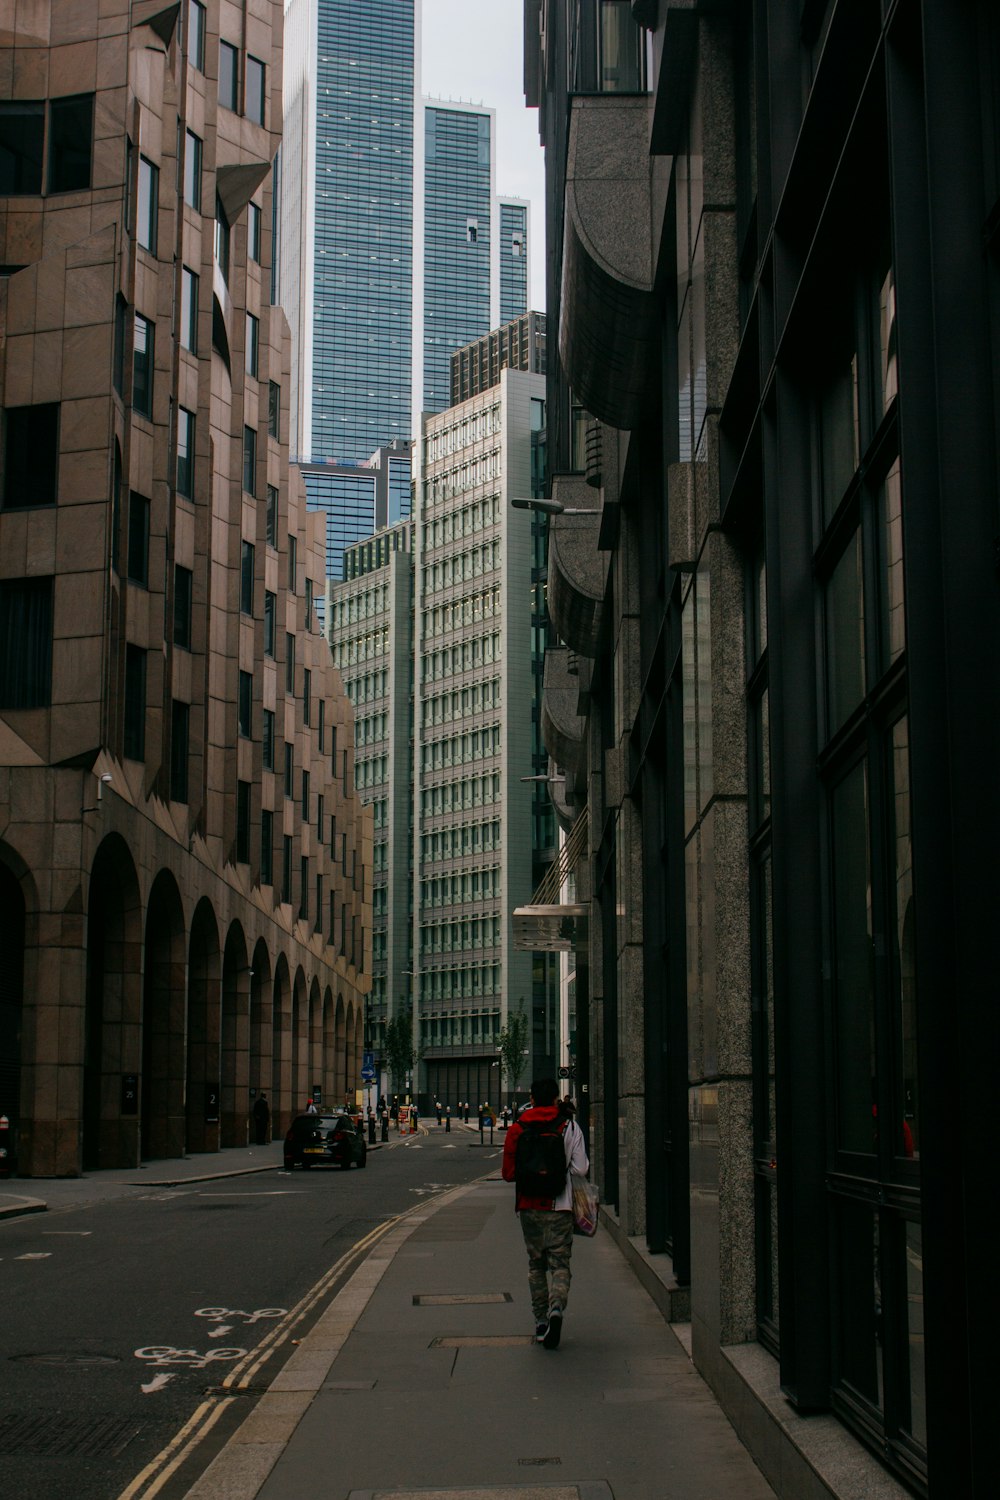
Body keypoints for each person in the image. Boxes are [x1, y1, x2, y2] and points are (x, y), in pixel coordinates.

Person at [502, 1077, 589, 1350]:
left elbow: (508, 1174)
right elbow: (581, 1169)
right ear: (555, 1100)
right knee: (560, 1266)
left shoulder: (517, 1128)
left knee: (535, 1265)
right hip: (560, 1206)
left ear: (531, 1097)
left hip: (529, 1208)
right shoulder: (569, 1126)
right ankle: (556, 1308)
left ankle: (540, 1323)